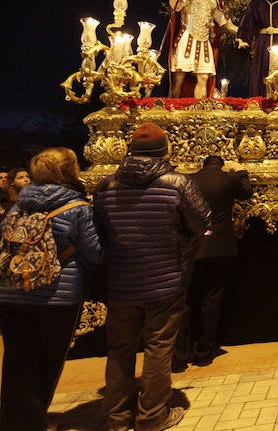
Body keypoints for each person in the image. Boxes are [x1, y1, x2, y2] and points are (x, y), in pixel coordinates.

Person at [93, 123, 211, 431]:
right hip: (165, 278)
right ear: (164, 150)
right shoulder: (176, 183)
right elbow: (201, 221)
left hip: (121, 281)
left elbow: (99, 231)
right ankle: (152, 416)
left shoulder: (106, 185)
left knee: (120, 349)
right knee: (159, 347)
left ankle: (117, 417)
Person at [0, 148, 105, 431]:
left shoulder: (17, 206)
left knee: (16, 363)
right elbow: (95, 253)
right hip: (57, 295)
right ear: (68, 171)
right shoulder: (78, 208)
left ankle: (13, 422)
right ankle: (32, 422)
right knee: (48, 363)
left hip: (11, 294)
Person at [174, 155, 252, 371]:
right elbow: (246, 193)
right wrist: (241, 171)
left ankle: (180, 355)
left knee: (185, 300)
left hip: (193, 244)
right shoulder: (228, 180)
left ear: (202, 165)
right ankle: (204, 353)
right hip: (219, 245)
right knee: (212, 298)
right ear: (222, 166)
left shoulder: (187, 180)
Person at [168, 0, 241, 99]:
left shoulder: (214, 1)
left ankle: (199, 109)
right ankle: (173, 106)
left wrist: (245, 34)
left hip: (204, 42)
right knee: (179, 76)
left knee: (203, 77)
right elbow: (175, 7)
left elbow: (228, 25)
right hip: (187, 37)